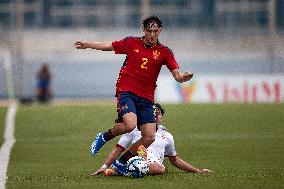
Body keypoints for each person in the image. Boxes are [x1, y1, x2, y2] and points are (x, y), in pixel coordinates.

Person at [75, 16, 193, 168]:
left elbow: (177, 76)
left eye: (155, 31)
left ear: (160, 31)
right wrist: (87, 44)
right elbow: (108, 46)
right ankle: (104, 137)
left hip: (147, 98)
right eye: (149, 31)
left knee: (150, 136)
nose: (152, 34)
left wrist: (184, 77)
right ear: (143, 30)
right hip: (127, 91)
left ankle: (120, 163)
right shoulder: (131, 42)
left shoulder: (164, 52)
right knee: (130, 125)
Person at [92, 104, 213, 176]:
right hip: (134, 158)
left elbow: (174, 160)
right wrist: (103, 166)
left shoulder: (168, 136)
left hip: (153, 164)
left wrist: (197, 170)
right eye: (152, 113)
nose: (155, 115)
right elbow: (118, 149)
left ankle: (125, 171)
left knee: (159, 168)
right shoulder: (135, 129)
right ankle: (128, 167)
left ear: (162, 116)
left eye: (158, 113)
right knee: (158, 168)